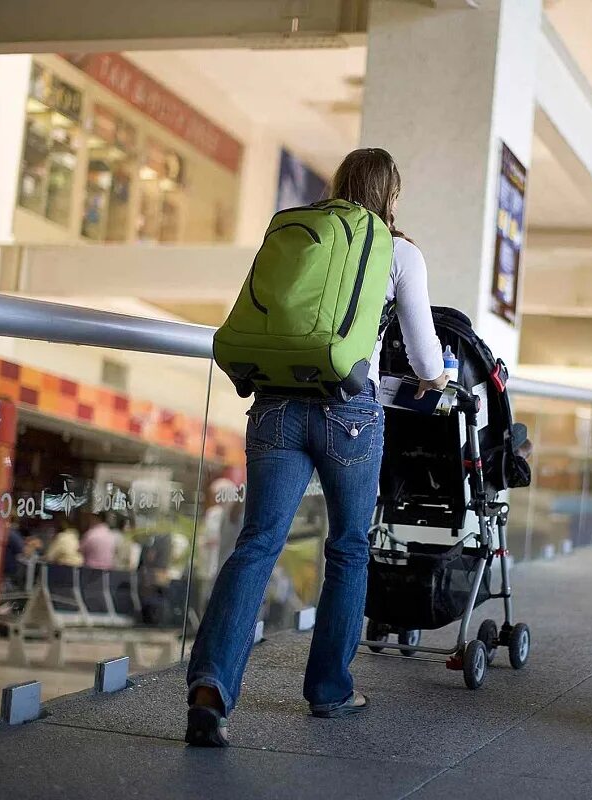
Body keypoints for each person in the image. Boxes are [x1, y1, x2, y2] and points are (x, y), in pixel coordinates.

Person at [185, 148, 447, 746]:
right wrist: (434, 382)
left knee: (257, 544)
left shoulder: (299, 233)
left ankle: (210, 690)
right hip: (349, 412)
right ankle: (329, 689)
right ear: (391, 195)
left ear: (338, 184)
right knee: (349, 548)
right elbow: (426, 356)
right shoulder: (397, 251)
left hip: (275, 403)